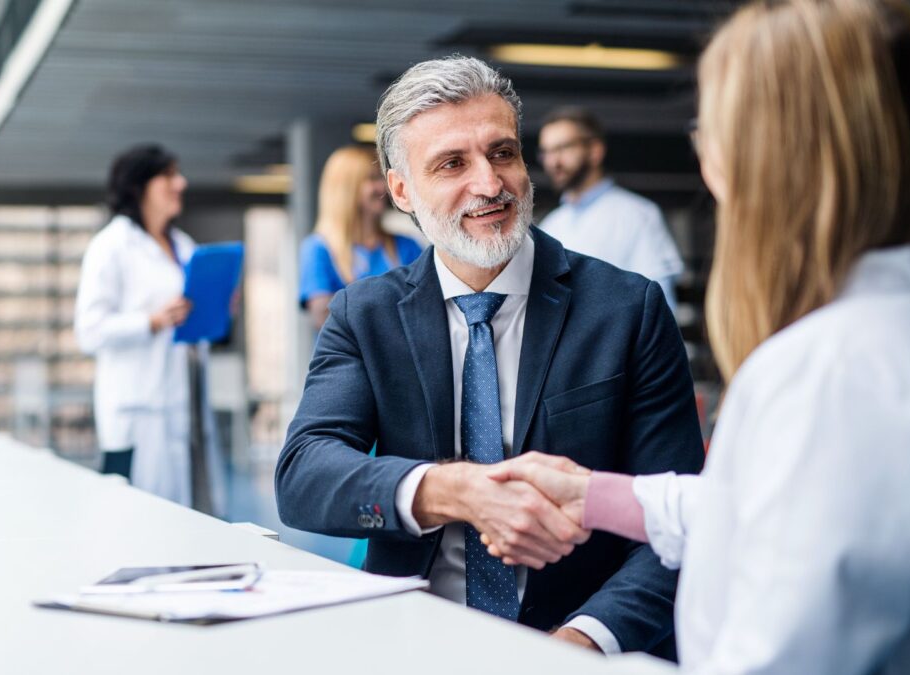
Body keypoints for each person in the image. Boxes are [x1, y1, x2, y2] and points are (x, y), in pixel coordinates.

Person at [485, 1, 910, 672]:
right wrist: (600, 494)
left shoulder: (824, 372)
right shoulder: (870, 340)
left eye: (709, 129)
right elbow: (782, 512)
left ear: (766, 156)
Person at [275, 56, 705, 656]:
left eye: (502, 153)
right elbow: (304, 476)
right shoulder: (364, 315)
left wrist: (581, 643)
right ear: (401, 190)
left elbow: (677, 521)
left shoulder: (627, 310)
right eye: (452, 163)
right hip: (412, 641)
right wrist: (453, 491)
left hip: (579, 640)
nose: (489, 183)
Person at [74, 144, 223, 512]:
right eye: (169, 175)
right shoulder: (111, 246)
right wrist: (152, 321)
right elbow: (89, 331)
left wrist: (216, 306)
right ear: (140, 185)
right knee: (140, 518)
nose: (181, 183)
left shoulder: (183, 245)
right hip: (140, 411)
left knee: (194, 515)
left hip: (185, 405)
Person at [536, 106, 685, 311]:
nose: (554, 161)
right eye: (547, 152)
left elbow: (660, 305)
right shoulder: (551, 225)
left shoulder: (639, 215)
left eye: (563, 148)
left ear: (595, 151)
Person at [299, 145, 424, 329]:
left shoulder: (407, 246)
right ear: (347, 189)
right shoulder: (318, 249)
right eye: (372, 178)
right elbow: (325, 318)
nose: (383, 186)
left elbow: (426, 307)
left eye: (382, 177)